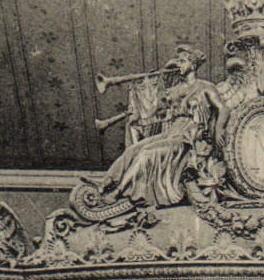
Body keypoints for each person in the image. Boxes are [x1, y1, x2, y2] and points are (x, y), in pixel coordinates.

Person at [95, 43, 226, 209]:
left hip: (187, 138)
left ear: (192, 65)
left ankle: (118, 192)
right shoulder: (175, 90)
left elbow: (223, 109)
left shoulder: (206, 87)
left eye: (182, 61)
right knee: (132, 150)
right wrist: (155, 82)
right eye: (177, 61)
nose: (179, 65)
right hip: (171, 133)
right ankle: (106, 182)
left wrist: (219, 128)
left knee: (146, 154)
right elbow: (154, 111)